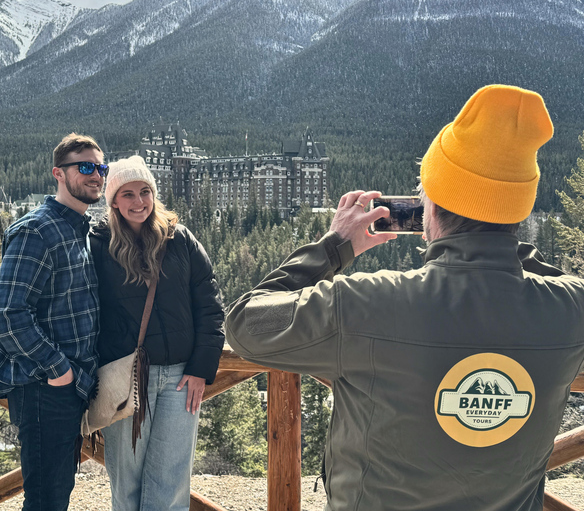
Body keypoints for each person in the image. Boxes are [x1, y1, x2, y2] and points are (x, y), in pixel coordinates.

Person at [224, 84, 584, 511]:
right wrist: (503, 242)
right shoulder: (570, 311)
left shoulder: (366, 303)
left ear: (429, 208)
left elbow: (245, 324)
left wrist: (336, 245)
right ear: (517, 211)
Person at [89, 155, 224, 511]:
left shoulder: (179, 239)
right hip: (126, 378)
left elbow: (210, 305)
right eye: (128, 194)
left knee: (171, 483)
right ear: (113, 201)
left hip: (182, 377)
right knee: (127, 484)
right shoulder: (98, 246)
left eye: (145, 191)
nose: (139, 202)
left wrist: (201, 368)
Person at [0, 133, 107, 511]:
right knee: (46, 500)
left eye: (101, 167)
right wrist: (59, 370)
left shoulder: (80, 230)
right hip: (44, 387)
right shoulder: (36, 230)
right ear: (58, 173)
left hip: (68, 388)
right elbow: (8, 313)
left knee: (56, 493)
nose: (96, 175)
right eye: (84, 167)